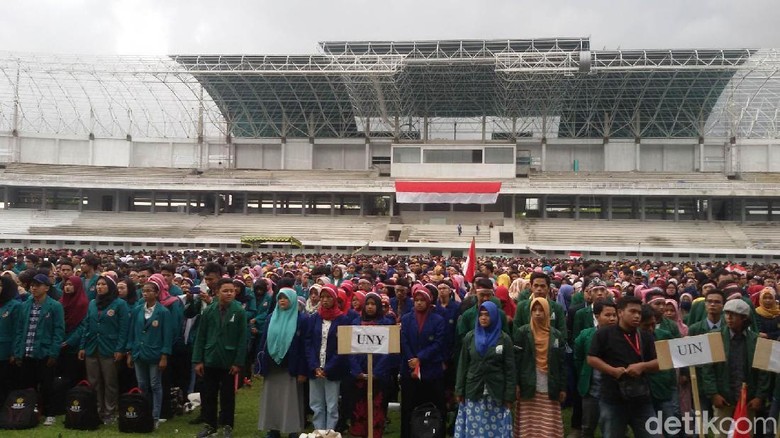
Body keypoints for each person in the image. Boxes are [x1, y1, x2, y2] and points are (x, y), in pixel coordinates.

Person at [587, 296, 660, 438]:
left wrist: (642, 366)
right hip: (612, 398)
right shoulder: (604, 334)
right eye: (632, 311)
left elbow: (659, 363)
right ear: (620, 312)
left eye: (639, 312)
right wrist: (612, 371)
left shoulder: (645, 336)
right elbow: (591, 358)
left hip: (641, 397)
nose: (637, 316)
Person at [700, 299, 771, 438]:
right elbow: (708, 369)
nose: (729, 317)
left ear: (744, 318)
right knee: (721, 434)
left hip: (748, 399)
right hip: (723, 396)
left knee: (744, 434)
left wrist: (759, 397)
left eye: (734, 314)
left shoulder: (756, 340)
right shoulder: (716, 338)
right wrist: (713, 393)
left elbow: (763, 372)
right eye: (727, 313)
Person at [193, 277, 248, 438]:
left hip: (228, 361)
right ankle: (210, 424)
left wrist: (238, 362)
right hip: (210, 358)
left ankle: (227, 425)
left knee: (227, 396)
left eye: (232, 291)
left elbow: (242, 339)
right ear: (217, 292)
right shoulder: (209, 310)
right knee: (209, 394)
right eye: (225, 291)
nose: (229, 293)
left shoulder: (239, 311)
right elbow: (201, 336)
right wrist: (198, 360)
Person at [454, 301, 514, 438]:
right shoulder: (470, 338)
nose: (483, 318)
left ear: (494, 316)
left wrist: (509, 395)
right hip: (474, 389)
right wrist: (459, 390)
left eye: (487, 315)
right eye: (481, 315)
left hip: (496, 391)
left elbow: (510, 369)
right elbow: (462, 365)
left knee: (496, 430)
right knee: (474, 428)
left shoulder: (504, 339)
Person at [12, 273, 65, 426]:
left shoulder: (55, 306)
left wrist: (53, 353)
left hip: (45, 352)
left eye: (38, 285)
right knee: (29, 385)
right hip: (27, 351)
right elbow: (20, 330)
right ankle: (31, 412)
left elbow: (58, 331)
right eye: (32, 285)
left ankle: (50, 413)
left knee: (47, 385)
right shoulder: (25, 305)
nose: (33, 288)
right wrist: (18, 351)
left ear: (47, 288)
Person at [79, 275, 130, 424]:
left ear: (110, 287)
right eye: (98, 285)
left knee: (110, 382)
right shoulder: (93, 303)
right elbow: (86, 325)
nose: (100, 287)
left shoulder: (119, 304)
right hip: (92, 346)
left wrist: (120, 348)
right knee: (94, 382)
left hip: (110, 347)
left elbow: (123, 328)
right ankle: (97, 410)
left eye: (103, 284)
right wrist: (82, 346)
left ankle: (110, 411)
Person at [257, 288, 308, 438]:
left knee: (291, 400)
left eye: (286, 298)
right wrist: (260, 365)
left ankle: (292, 429)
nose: (282, 301)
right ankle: (273, 429)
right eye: (280, 298)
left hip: (290, 366)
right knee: (272, 400)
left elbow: (304, 347)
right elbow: (263, 342)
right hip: (272, 366)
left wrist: (302, 370)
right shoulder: (271, 318)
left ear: (292, 300)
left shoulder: (301, 319)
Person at [514, 297, 566, 438]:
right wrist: (517, 384)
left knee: (547, 421)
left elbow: (561, 363)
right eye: (534, 310)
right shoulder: (522, 332)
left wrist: (562, 387)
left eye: (541, 310)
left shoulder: (556, 335)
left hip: (550, 383)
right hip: (528, 382)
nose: (537, 313)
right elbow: (517, 361)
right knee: (528, 422)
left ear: (547, 312)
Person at [399, 285, 446, 438]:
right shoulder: (406, 319)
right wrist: (411, 359)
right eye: (416, 300)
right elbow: (403, 340)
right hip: (409, 371)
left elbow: (438, 343)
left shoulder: (438, 320)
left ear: (428, 301)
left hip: (431, 371)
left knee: (433, 406)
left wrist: (420, 358)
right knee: (408, 408)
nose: (419, 303)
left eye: (422, 300)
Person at [126, 280, 173, 429]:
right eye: (144, 291)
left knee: (155, 384)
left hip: (155, 353)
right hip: (139, 352)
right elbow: (131, 332)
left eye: (149, 291)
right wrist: (130, 352)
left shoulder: (163, 312)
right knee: (142, 384)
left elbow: (167, 335)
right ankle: (143, 411)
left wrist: (164, 355)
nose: (145, 293)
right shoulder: (137, 310)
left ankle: (155, 415)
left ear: (157, 293)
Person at [349, 292, 394, 438]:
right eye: (367, 304)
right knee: (359, 409)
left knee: (377, 408)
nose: (369, 307)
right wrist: (357, 371)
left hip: (379, 376)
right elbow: (349, 349)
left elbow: (390, 351)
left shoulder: (387, 323)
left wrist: (377, 372)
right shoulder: (355, 322)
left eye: (373, 304)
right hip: (359, 376)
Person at [305, 284, 347, 432]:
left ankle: (330, 431)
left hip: (332, 369)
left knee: (332, 404)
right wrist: (314, 366)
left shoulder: (342, 319)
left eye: (328, 297)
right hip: (315, 367)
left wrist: (328, 368)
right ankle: (318, 430)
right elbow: (308, 343)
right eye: (322, 297)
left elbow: (342, 348)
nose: (324, 300)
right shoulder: (315, 318)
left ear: (335, 299)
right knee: (316, 403)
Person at [574, 300, 618, 438]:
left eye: (614, 315)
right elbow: (578, 359)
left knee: (612, 428)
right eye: (608, 315)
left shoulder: (621, 336)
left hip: (614, 391)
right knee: (588, 427)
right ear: (597, 316)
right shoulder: (585, 335)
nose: (612, 318)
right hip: (592, 390)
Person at [59, 275, 88, 387]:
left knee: (73, 376)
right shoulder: (61, 302)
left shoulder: (83, 303)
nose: (68, 287)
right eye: (66, 284)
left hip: (75, 346)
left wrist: (69, 341)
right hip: (60, 343)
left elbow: (83, 325)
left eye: (71, 285)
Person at [0, 276, 21, 402]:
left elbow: (17, 331)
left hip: (6, 351)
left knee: (5, 381)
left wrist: (14, 352)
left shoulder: (15, 306)